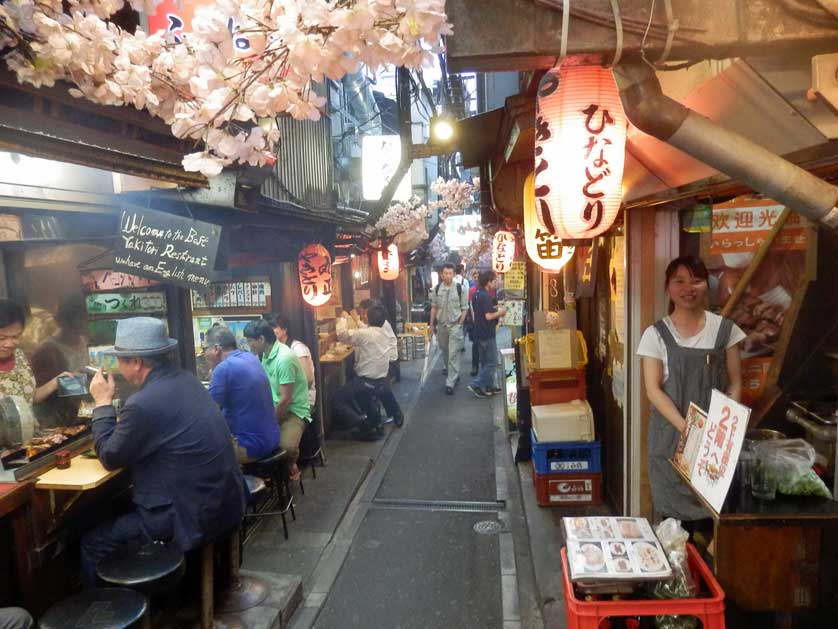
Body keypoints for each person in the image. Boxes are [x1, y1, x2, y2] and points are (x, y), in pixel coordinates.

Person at [84, 317, 246, 586]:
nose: (118, 367)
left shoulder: (142, 404)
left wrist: (102, 404)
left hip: (189, 515)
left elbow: (110, 456)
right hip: (222, 501)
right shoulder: (186, 379)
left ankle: (117, 615)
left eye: (121, 360)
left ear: (136, 362)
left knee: (93, 543)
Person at [637, 256, 745, 523]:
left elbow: (735, 382)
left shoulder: (724, 330)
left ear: (706, 285)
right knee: (673, 526)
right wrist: (689, 429)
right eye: (680, 281)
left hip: (714, 444)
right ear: (668, 288)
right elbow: (653, 390)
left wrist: (724, 430)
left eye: (696, 280)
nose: (689, 288)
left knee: (716, 519)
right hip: (671, 440)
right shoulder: (655, 334)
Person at [243, 320, 311, 481]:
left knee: (285, 447)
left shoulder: (284, 358)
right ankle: (267, 478)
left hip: (294, 411)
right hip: (274, 408)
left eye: (249, 341)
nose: (248, 345)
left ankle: (290, 468)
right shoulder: (265, 355)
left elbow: (285, 400)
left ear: (261, 339)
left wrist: (271, 423)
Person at [203, 325, 280, 463]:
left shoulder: (223, 368)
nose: (204, 354)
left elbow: (209, 414)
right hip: (272, 438)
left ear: (216, 349)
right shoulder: (250, 357)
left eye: (205, 349)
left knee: (200, 453)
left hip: (250, 446)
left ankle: (235, 484)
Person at [335, 304, 402, 439]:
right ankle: (385, 416)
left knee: (338, 399)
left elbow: (342, 335)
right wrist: (357, 320)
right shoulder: (383, 330)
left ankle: (364, 424)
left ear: (370, 319)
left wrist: (342, 319)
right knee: (369, 392)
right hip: (382, 377)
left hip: (367, 381)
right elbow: (365, 331)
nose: (364, 315)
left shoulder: (365, 334)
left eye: (365, 314)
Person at [0, 299, 72, 411]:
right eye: (1, 338)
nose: (9, 344)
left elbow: (28, 398)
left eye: (16, 337)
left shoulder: (19, 356)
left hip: (30, 428)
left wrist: (56, 382)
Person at [31, 297, 89, 427]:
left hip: (82, 413)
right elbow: (46, 395)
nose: (78, 327)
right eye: (73, 325)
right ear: (61, 322)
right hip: (57, 419)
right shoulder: (47, 350)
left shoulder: (84, 340)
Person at [429, 263, 469, 394]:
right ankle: (454, 373)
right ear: (441, 274)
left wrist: (459, 324)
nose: (447, 275)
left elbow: (465, 308)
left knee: (453, 353)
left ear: (453, 274)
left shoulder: (460, 289)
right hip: (441, 326)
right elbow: (433, 308)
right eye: (445, 273)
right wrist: (431, 325)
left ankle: (450, 382)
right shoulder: (436, 289)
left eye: (450, 273)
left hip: (454, 326)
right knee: (445, 352)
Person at [264, 313, 316, 411]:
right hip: (281, 401)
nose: (270, 331)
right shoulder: (269, 351)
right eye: (268, 329)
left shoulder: (298, 348)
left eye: (274, 327)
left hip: (301, 402)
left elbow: (308, 380)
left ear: (284, 330)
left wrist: (287, 398)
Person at [468, 270, 506, 399]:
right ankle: (476, 383)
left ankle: (488, 386)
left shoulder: (477, 294)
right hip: (487, 333)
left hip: (479, 332)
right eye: (494, 281)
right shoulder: (485, 296)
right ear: (488, 282)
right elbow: (488, 316)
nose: (496, 283)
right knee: (492, 363)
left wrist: (494, 308)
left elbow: (480, 312)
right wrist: (501, 312)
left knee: (485, 362)